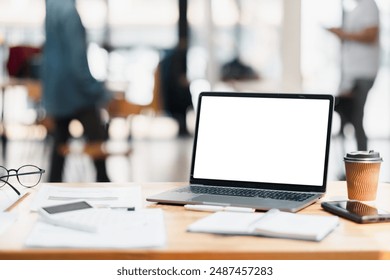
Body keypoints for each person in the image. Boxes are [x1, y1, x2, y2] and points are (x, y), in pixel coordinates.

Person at [42, 0, 112, 182]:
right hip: (75, 91)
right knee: (97, 137)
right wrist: (96, 89)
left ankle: (51, 189)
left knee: (59, 147)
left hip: (57, 91)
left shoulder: (52, 8)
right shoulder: (69, 13)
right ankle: (104, 184)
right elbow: (77, 60)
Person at [327, 0, 380, 151]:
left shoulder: (369, 5)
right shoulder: (356, 9)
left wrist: (343, 34)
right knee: (344, 118)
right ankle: (346, 164)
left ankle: (362, 166)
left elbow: (371, 35)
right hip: (350, 76)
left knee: (356, 120)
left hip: (363, 74)